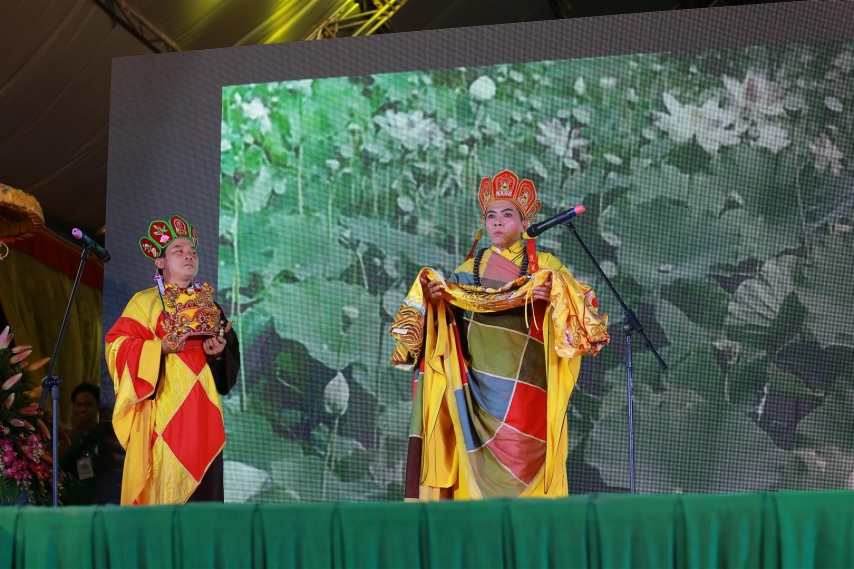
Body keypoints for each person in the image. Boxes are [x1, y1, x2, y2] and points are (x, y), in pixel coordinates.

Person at [389, 170, 610, 501]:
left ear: (524, 223)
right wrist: (435, 302)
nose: (497, 222)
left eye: (507, 215)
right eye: (491, 216)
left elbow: (585, 312)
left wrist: (554, 296)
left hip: (528, 386)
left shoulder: (546, 266)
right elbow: (445, 325)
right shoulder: (466, 272)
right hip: (474, 390)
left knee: (527, 470)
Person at [105, 215, 239, 505]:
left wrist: (218, 353)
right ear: (160, 262)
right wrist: (159, 348)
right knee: (164, 494)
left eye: (193, 251)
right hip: (165, 414)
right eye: (179, 250)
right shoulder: (144, 302)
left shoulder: (210, 308)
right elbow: (117, 346)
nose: (189, 255)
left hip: (205, 413)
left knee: (204, 500)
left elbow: (228, 362)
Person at [59, 383, 100, 505]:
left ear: (98, 407)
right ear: (73, 408)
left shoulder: (106, 436)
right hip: (68, 506)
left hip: (99, 506)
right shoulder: (65, 437)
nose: (83, 409)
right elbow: (53, 460)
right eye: (79, 405)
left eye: (88, 404)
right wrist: (75, 429)